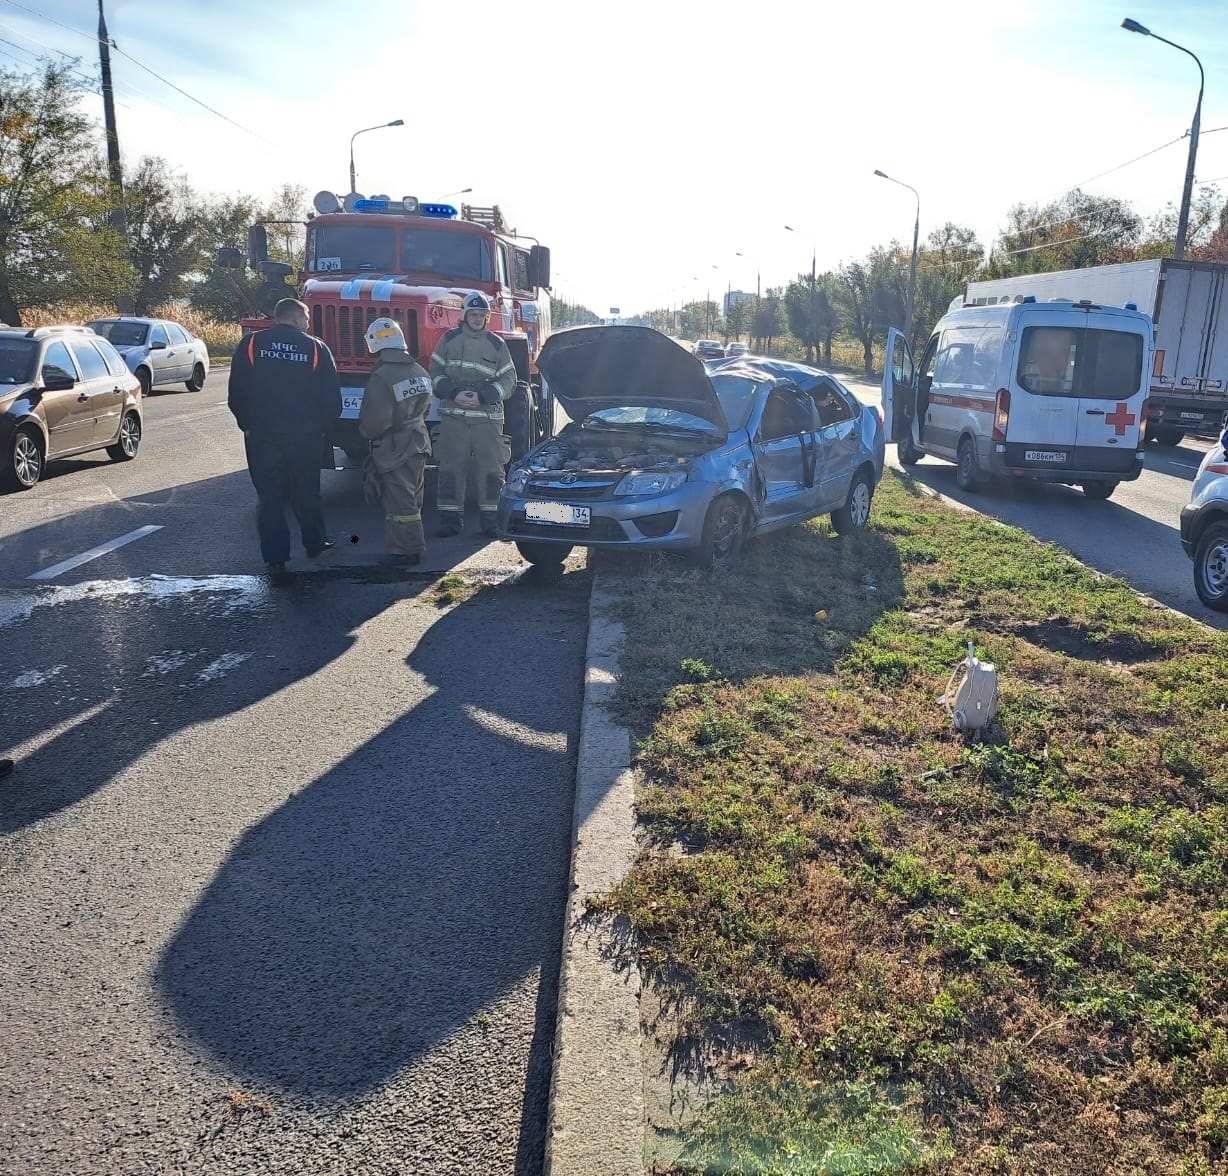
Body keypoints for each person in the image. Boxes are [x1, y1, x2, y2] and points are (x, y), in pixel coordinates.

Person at [227, 298, 342, 573]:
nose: (308, 325)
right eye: (307, 320)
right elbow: (332, 398)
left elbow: (237, 391)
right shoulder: (315, 347)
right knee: (307, 491)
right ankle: (314, 542)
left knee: (270, 497)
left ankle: (275, 560)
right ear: (297, 319)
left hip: (264, 434)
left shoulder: (252, 344)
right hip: (306, 435)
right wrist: (326, 430)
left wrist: (247, 424)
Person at [429, 291, 517, 538]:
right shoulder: (448, 340)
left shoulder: (497, 344)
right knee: (450, 467)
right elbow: (434, 372)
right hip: (454, 417)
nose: (478, 319)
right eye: (473, 314)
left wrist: (485, 395)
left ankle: (490, 521)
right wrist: (453, 392)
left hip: (486, 419)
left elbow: (510, 379)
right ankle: (450, 520)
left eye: (482, 315)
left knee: (490, 470)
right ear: (464, 315)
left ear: (487, 317)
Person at [358, 317, 433, 567]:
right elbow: (426, 406)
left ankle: (408, 549)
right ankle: (407, 545)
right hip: (419, 440)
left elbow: (375, 421)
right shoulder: (419, 371)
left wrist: (366, 434)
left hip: (395, 446)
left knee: (400, 501)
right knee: (413, 494)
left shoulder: (382, 377)